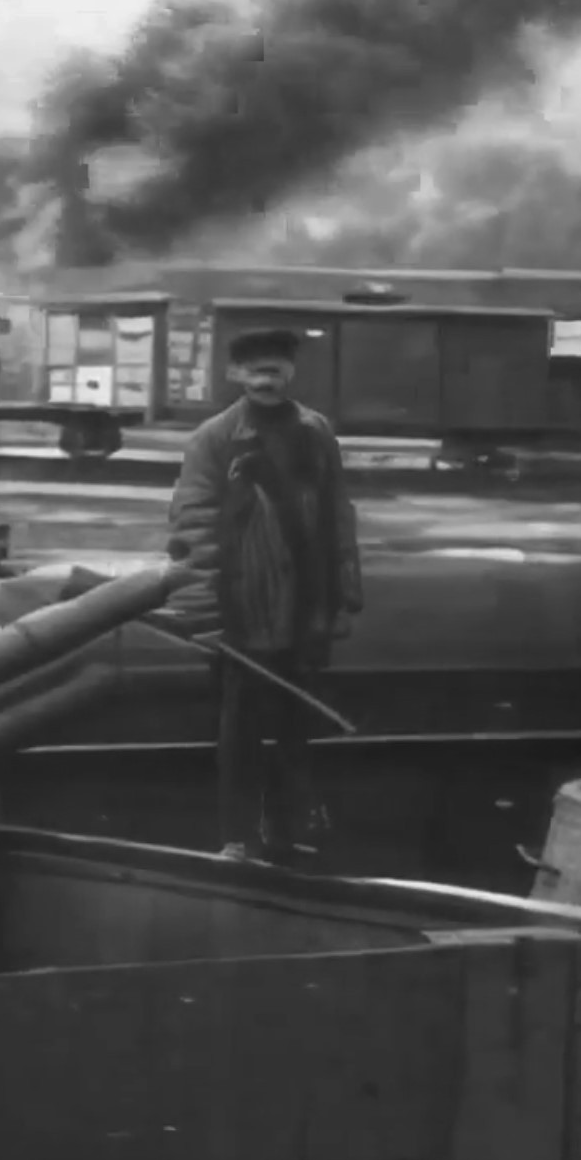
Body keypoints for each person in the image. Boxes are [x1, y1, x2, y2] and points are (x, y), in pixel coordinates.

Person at [164, 326, 363, 864]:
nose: (266, 378)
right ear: (235, 375)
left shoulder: (315, 433)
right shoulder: (214, 438)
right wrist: (205, 613)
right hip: (242, 608)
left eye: (276, 367)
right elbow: (195, 527)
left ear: (290, 373)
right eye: (255, 369)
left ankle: (289, 829)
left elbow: (337, 516)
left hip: (305, 608)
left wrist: (342, 596)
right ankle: (238, 836)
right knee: (240, 733)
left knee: (297, 728)